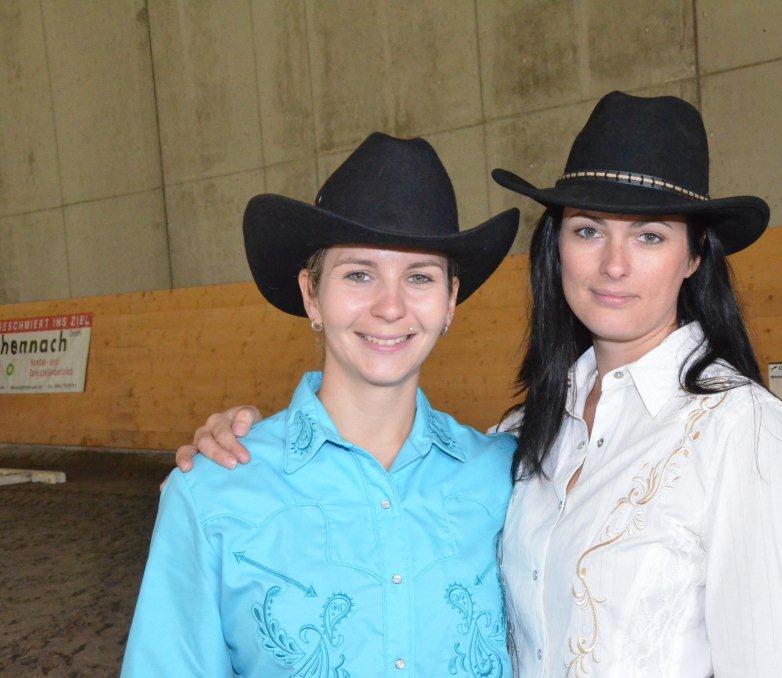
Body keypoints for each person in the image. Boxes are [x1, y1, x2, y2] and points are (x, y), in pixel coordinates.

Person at [177, 92, 782, 677]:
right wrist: (239, 456)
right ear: (557, 247)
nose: (614, 265)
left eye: (649, 236)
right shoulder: (522, 440)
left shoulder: (744, 435)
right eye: (588, 231)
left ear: (695, 255)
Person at [123, 133, 520, 677]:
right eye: (358, 274)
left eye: (420, 277)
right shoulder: (210, 492)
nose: (390, 307)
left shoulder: (509, 479)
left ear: (450, 301)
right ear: (312, 294)